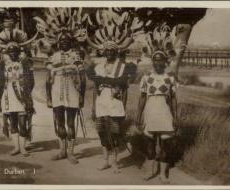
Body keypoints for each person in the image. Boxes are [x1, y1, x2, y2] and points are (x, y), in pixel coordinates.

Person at [0, 17, 37, 157]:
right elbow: (1, 82)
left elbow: (31, 81)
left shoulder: (24, 62)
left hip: (22, 96)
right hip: (8, 97)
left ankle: (24, 148)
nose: (13, 53)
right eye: (10, 51)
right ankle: (16, 147)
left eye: (15, 51)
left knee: (23, 121)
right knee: (13, 123)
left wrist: (26, 94)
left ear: (19, 51)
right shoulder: (4, 64)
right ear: (6, 52)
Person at [86, 42, 137, 173]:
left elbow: (125, 90)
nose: (109, 53)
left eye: (111, 51)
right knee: (102, 132)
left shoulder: (122, 67)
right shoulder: (99, 67)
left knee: (114, 133)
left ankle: (114, 162)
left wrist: (124, 107)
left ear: (115, 52)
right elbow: (95, 89)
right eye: (106, 51)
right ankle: (105, 161)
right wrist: (93, 107)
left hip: (115, 102)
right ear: (104, 52)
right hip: (101, 102)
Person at [135, 50, 177, 183]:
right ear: (153, 61)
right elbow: (142, 97)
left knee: (165, 144)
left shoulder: (170, 77)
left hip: (164, 112)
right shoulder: (146, 76)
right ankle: (150, 171)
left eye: (161, 59)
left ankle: (163, 174)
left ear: (165, 61)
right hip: (150, 111)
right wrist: (138, 115)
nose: (158, 62)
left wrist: (175, 116)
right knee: (150, 144)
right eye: (156, 59)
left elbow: (173, 98)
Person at [46, 30, 86, 164]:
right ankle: (62, 151)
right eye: (61, 40)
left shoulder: (76, 56)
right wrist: (49, 97)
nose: (64, 42)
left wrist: (82, 96)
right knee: (59, 122)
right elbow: (48, 78)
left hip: (73, 92)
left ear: (70, 42)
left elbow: (83, 77)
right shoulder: (53, 56)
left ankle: (71, 152)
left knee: (70, 123)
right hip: (56, 91)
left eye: (66, 40)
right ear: (58, 42)